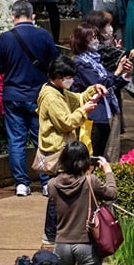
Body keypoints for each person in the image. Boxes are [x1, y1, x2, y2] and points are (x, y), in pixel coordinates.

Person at [49, 141, 117, 265]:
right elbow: (112, 193)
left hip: (62, 244)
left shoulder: (52, 185)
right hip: (87, 244)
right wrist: (107, 171)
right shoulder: (90, 181)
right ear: (86, 161)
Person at [37, 56, 106, 244]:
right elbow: (66, 123)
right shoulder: (51, 97)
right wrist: (84, 111)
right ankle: (50, 233)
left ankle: (55, 231)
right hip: (57, 150)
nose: (71, 81)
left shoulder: (59, 90)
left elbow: (78, 98)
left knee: (60, 191)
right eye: (68, 77)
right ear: (58, 76)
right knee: (56, 192)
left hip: (64, 150)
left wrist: (93, 90)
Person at [0, 0, 59, 197]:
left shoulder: (5, 38)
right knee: (42, 138)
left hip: (13, 95)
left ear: (13, 16)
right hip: (39, 95)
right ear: (33, 16)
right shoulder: (43, 35)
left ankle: (21, 183)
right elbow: (54, 64)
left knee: (16, 141)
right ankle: (47, 182)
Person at [69, 23, 131, 158]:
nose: (96, 40)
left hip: (106, 112)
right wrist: (117, 72)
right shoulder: (80, 63)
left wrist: (125, 75)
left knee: (105, 154)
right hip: (92, 117)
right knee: (93, 153)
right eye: (92, 38)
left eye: (96, 37)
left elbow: (111, 85)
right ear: (82, 40)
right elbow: (99, 84)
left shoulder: (96, 61)